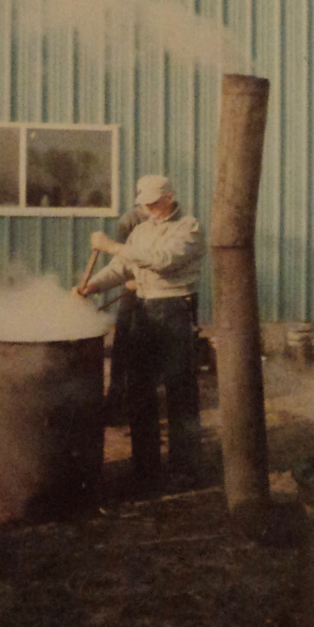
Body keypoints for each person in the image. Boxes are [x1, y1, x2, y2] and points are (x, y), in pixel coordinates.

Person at [76, 175, 205, 491]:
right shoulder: (141, 230)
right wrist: (93, 285)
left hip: (175, 307)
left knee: (179, 388)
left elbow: (162, 261)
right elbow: (122, 268)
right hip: (144, 309)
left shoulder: (189, 228)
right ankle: (145, 467)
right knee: (138, 389)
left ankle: (185, 467)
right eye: (144, 203)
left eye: (153, 201)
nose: (148, 207)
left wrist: (112, 246)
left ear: (169, 197)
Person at [102, 204, 149, 427]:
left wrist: (144, 278)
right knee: (122, 346)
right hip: (132, 287)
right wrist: (130, 278)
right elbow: (123, 255)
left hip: (155, 290)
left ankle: (137, 403)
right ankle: (114, 403)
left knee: (144, 349)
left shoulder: (172, 224)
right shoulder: (129, 221)